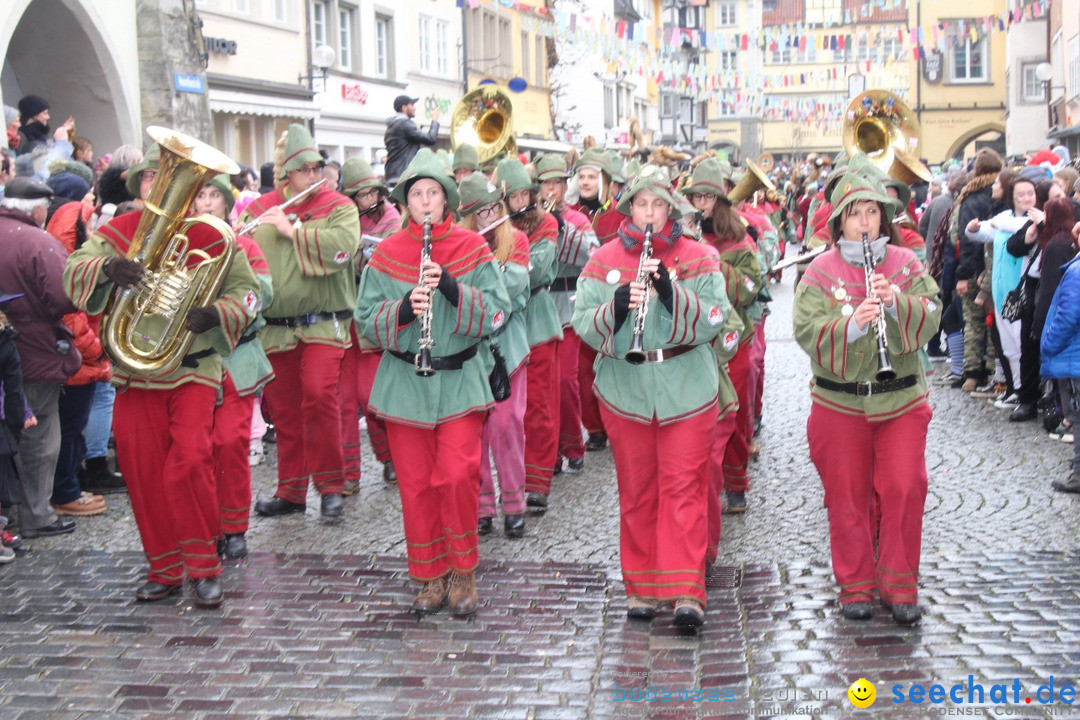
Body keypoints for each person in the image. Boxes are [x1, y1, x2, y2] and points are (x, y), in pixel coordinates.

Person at [64, 142, 260, 607]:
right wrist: (107, 268)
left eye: (168, 178)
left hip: (192, 368)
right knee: (143, 472)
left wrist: (218, 314)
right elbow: (73, 269)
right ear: (139, 187)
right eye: (151, 179)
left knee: (190, 463)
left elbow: (248, 296)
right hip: (136, 373)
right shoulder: (120, 230)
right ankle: (165, 569)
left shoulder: (213, 235)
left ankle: (203, 567)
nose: (162, 186)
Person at [571, 165, 729, 628]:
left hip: (687, 385)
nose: (650, 214)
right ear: (629, 209)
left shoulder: (700, 255)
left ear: (670, 210)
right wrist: (619, 304)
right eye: (642, 205)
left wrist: (669, 292)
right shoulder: (603, 259)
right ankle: (640, 588)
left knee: (684, 488)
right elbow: (582, 321)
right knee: (637, 491)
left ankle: (686, 591)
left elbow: (716, 316)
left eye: (658, 205)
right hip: (626, 387)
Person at [355, 148, 510, 616]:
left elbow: (498, 312)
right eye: (416, 194)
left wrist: (449, 288)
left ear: (446, 201)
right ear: (406, 202)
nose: (425, 202)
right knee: (417, 484)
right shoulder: (386, 253)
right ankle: (430, 575)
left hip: (460, 379)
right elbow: (364, 321)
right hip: (405, 381)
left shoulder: (471, 247)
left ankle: (463, 571)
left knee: (457, 475)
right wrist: (404, 310)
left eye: (433, 193)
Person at [793, 173, 941, 626]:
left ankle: (900, 585)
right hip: (840, 405)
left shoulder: (904, 262)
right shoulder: (820, 270)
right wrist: (854, 325)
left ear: (885, 217)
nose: (864, 221)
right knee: (847, 497)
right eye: (855, 213)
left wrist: (895, 302)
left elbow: (932, 313)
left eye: (872, 212)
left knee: (904, 486)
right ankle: (855, 584)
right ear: (840, 221)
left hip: (900, 399)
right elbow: (804, 329)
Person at [242, 124, 360, 523]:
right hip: (276, 327)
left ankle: (330, 488)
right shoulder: (259, 208)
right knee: (284, 410)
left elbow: (344, 248)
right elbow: (243, 259)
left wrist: (292, 231)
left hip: (324, 324)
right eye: (304, 169)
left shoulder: (339, 205)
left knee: (319, 397)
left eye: (317, 167)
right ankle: (291, 491)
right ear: (286, 174)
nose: (314, 176)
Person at [197, 174, 274, 560]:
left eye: (215, 196)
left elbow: (265, 295)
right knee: (198, 450)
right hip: (193, 361)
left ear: (227, 204)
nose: (208, 203)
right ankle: (204, 527)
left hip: (236, 358)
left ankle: (233, 525)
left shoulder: (245, 244)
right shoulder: (183, 247)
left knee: (230, 442)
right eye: (200, 196)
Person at [0, 177, 80, 539]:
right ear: (37, 208)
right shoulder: (37, 241)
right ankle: (35, 515)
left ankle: (9, 518)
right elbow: (66, 297)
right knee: (38, 435)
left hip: (14, 347)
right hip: (31, 351)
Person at [686, 157, 763, 514]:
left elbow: (749, 289)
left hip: (734, 340)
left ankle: (736, 484)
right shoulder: (684, 235)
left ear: (719, 201)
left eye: (706, 197)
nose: (699, 204)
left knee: (734, 414)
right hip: (696, 339)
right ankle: (705, 481)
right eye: (695, 197)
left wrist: (715, 264)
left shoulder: (740, 241)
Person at [457, 172, 530, 537]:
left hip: (508, 350)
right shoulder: (457, 244)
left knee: (506, 427)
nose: (489, 218)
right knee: (475, 433)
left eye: (493, 209)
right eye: (480, 213)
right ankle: (483, 507)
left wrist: (477, 275)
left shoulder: (516, 239)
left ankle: (515, 505)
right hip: (470, 352)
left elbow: (511, 288)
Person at [497, 158, 562, 511]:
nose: (521, 202)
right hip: (503, 326)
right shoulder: (492, 226)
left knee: (539, 407)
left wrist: (499, 268)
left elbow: (533, 273)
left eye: (525, 194)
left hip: (536, 319)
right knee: (506, 413)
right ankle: (511, 483)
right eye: (513, 196)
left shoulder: (546, 223)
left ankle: (537, 482)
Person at [535, 154, 599, 474]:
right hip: (540, 306)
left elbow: (592, 254)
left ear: (564, 185)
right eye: (546, 183)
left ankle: (574, 443)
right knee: (544, 387)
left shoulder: (577, 219)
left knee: (565, 380)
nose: (552, 190)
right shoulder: (529, 219)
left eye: (557, 183)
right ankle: (550, 454)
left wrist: (561, 226)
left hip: (570, 304)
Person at [339, 157, 400, 490]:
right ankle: (349, 474)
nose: (367, 200)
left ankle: (389, 456)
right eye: (359, 195)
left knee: (370, 395)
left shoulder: (391, 218)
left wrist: (362, 256)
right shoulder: (345, 219)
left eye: (370, 193)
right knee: (345, 400)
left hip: (375, 318)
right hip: (345, 316)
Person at [954, 150, 1004, 392]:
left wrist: (963, 274)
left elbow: (966, 239)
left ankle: (972, 374)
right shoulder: (1003, 193)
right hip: (998, 267)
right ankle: (995, 372)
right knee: (994, 320)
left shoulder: (970, 197)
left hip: (974, 268)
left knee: (973, 321)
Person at [1041, 222, 1080, 493]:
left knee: (1077, 415)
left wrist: (1049, 344)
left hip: (1074, 358)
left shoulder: (1077, 272)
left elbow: (1067, 316)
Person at [384, 95, 440, 187]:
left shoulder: (391, 126)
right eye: (412, 105)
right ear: (404, 108)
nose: (414, 108)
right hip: (404, 177)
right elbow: (430, 139)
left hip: (393, 176)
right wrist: (434, 120)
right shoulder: (404, 124)